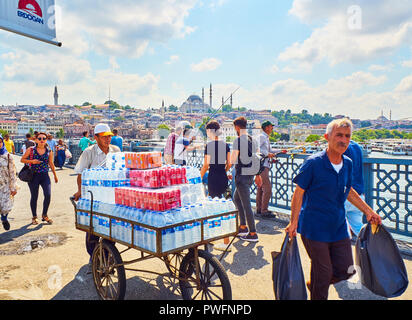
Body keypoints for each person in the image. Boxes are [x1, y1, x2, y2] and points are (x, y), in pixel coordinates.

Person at [285, 118, 382, 300]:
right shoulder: (313, 163)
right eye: (339, 135)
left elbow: (349, 191)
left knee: (346, 270)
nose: (343, 140)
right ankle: (318, 286)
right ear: (327, 137)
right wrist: (293, 222)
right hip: (314, 228)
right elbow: (298, 193)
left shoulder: (348, 163)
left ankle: (315, 283)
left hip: (337, 226)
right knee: (323, 272)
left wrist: (369, 211)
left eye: (347, 136)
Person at [73, 123, 120, 266]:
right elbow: (80, 173)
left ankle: (107, 254)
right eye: (104, 137)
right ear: (96, 138)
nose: (108, 139)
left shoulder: (115, 150)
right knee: (92, 229)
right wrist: (80, 191)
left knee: (110, 228)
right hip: (93, 196)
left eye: (109, 136)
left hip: (111, 196)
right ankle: (94, 255)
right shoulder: (89, 152)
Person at [231, 116, 259, 242]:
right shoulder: (252, 139)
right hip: (250, 175)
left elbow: (233, 159)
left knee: (246, 204)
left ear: (237, 127)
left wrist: (227, 167)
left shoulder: (238, 140)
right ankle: (243, 226)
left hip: (242, 175)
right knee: (237, 199)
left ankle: (253, 233)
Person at [21, 132, 58, 225]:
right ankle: (34, 217)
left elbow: (51, 163)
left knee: (48, 195)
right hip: (33, 176)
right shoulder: (31, 150)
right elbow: (22, 159)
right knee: (34, 196)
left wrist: (55, 175)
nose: (42, 140)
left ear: (46, 140)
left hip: (45, 175)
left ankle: (44, 215)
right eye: (40, 138)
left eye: (44, 139)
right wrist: (32, 161)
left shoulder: (49, 151)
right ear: (36, 140)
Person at [255, 121, 286, 219]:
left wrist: (280, 151)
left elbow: (270, 150)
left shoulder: (265, 137)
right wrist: (267, 154)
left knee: (261, 188)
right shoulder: (262, 137)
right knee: (267, 188)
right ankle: (264, 211)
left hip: (263, 165)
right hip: (262, 166)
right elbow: (256, 148)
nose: (272, 128)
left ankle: (259, 210)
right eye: (271, 127)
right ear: (266, 128)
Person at [200, 121, 231, 198]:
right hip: (223, 176)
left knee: (214, 201)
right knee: (223, 200)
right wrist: (224, 171)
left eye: (207, 131)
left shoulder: (209, 145)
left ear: (210, 131)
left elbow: (206, 165)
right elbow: (229, 163)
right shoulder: (225, 145)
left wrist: (200, 176)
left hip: (213, 177)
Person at [344, 140, 365, 237]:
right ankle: (370, 249)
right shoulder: (357, 146)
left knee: (340, 230)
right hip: (359, 194)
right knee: (359, 229)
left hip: (345, 194)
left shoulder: (339, 147)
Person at [0, 134, 18, 230]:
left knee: (5, 205)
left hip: (5, 185)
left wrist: (13, 187)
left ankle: (4, 218)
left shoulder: (8, 156)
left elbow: (12, 172)